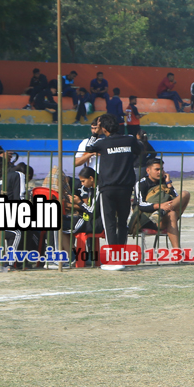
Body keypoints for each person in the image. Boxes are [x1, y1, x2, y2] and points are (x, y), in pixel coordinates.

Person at [81, 114, 143, 271]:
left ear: (103, 128)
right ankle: (120, 258)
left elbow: (88, 148)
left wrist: (95, 134)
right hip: (126, 187)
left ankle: (114, 260)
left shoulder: (102, 142)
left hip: (107, 188)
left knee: (109, 223)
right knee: (122, 223)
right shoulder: (129, 140)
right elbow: (140, 149)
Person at [132, 158, 192, 249]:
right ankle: (177, 250)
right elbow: (139, 204)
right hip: (149, 219)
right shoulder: (142, 183)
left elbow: (176, 200)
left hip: (164, 216)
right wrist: (159, 206)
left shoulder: (164, 182)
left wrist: (168, 183)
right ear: (148, 170)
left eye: (161, 169)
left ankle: (177, 252)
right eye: (157, 169)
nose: (160, 172)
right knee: (172, 214)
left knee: (185, 194)